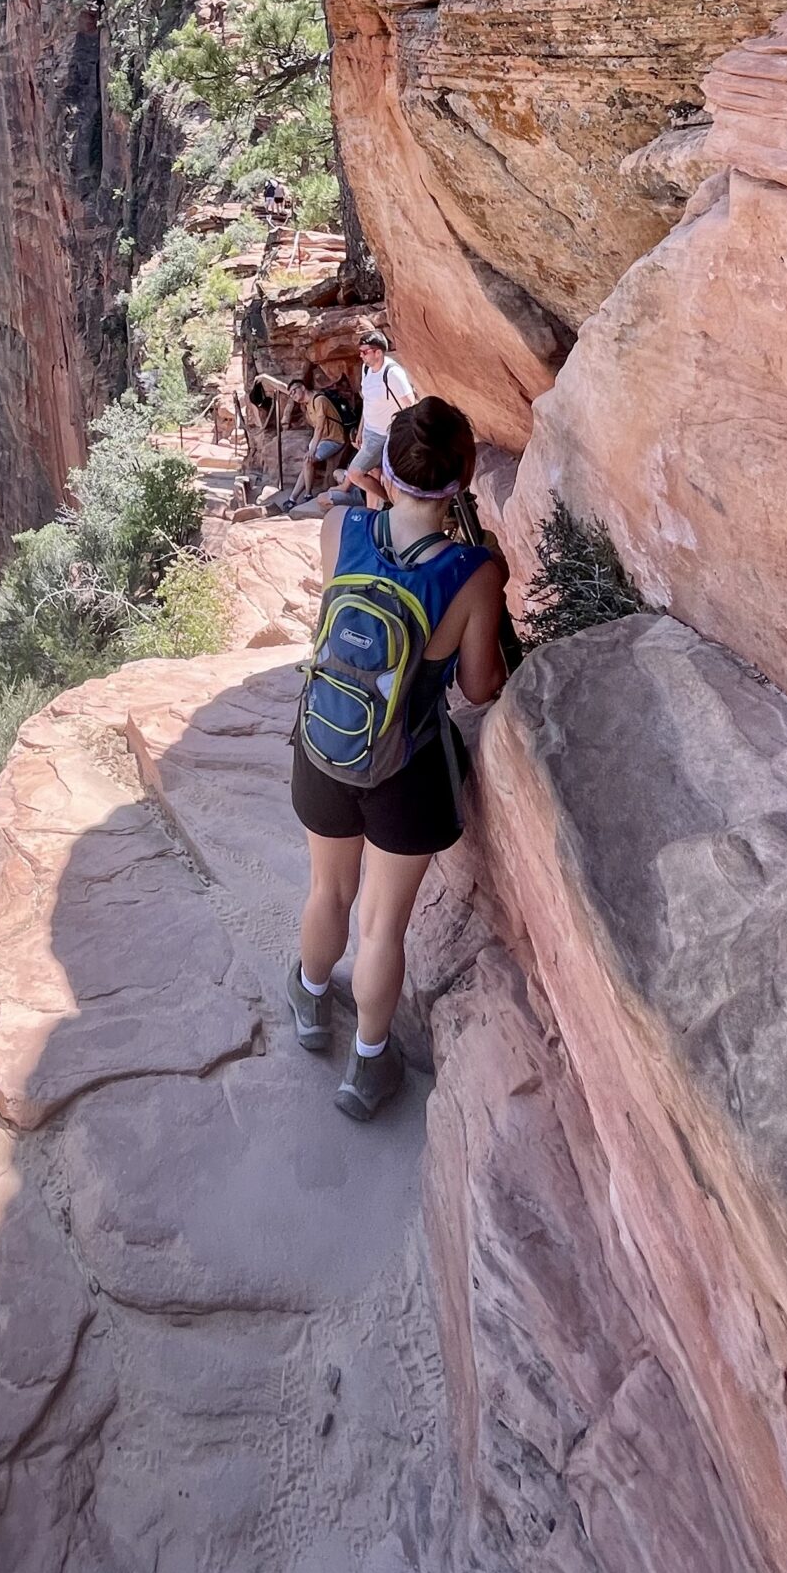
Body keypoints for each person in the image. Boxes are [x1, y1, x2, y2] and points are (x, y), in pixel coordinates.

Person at [285, 397, 508, 1120]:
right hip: (404, 766)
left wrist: (372, 500)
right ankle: (367, 1068)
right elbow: (478, 689)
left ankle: (311, 1001)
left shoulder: (337, 527)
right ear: (463, 477)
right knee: (381, 927)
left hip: (327, 743)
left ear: (384, 467)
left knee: (328, 893)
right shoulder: (474, 572)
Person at [329, 327, 413, 509]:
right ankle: (373, 512)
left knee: (355, 473)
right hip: (370, 431)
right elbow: (367, 402)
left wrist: (403, 435)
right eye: (360, 352)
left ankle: (389, 503)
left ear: (378, 352)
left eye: (365, 352)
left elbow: (410, 405)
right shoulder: (366, 370)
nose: (361, 356)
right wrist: (361, 431)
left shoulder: (392, 373)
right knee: (373, 472)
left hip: (386, 434)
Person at [283, 375, 349, 505]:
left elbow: (319, 427)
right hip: (324, 439)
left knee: (308, 459)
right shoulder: (307, 405)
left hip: (334, 439)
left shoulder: (319, 400)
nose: (293, 395)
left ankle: (307, 494)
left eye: (294, 391)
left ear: (302, 387)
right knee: (306, 461)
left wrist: (312, 450)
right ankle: (292, 498)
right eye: (290, 394)